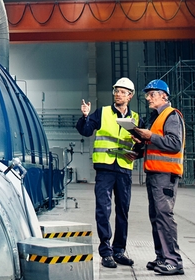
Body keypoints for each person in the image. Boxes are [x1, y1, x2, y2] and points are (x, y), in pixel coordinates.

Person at [75, 77, 139, 269]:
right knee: (103, 210)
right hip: (105, 169)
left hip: (124, 169)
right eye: (116, 91)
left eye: (122, 92)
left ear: (130, 96)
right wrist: (85, 116)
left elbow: (141, 144)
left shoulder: (135, 118)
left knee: (123, 211)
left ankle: (119, 250)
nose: (118, 94)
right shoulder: (102, 113)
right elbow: (86, 131)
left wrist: (138, 147)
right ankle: (106, 252)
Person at [130, 79, 186, 276]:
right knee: (156, 216)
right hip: (155, 173)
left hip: (165, 174)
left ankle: (173, 260)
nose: (147, 98)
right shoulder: (157, 118)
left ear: (164, 95)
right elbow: (157, 146)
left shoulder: (171, 115)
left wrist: (150, 136)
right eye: (147, 95)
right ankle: (162, 257)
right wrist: (140, 147)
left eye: (151, 94)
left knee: (164, 216)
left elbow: (174, 144)